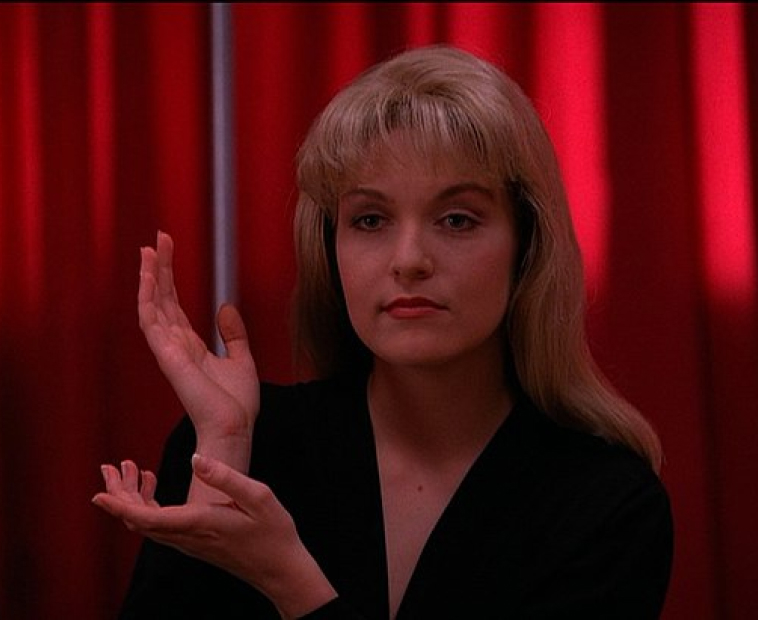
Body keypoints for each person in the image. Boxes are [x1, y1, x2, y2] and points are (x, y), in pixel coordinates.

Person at [93, 44, 674, 619]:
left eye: (457, 219)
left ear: (526, 247)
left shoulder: (607, 502)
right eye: (370, 220)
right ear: (331, 248)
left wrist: (290, 583)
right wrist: (220, 455)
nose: (409, 260)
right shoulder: (237, 443)